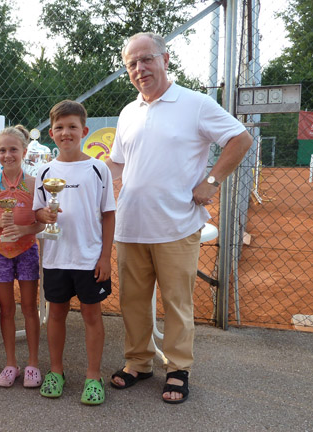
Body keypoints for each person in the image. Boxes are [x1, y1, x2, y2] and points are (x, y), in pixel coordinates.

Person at [104, 32, 253, 403]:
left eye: (146, 59)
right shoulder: (128, 112)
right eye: (132, 64)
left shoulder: (195, 103)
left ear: (165, 59)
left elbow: (240, 138)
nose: (140, 68)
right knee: (133, 301)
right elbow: (117, 165)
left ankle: (177, 368)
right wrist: (79, 174)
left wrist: (212, 181)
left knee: (176, 302)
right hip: (131, 224)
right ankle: (138, 362)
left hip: (177, 225)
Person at [33, 100, 116, 405]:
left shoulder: (98, 168)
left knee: (92, 315)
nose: (65, 132)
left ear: (84, 130)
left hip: (89, 258)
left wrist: (105, 257)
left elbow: (108, 214)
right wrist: (44, 215)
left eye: (72, 127)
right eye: (59, 127)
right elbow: (37, 212)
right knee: (56, 314)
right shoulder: (44, 171)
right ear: (51, 133)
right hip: (56, 258)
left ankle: (93, 376)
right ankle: (56, 371)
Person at [0, 125, 44, 388]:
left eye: (13, 150)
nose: (8, 155)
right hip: (0, 253)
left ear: (24, 151)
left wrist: (23, 229)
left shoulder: (34, 183)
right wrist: (0, 224)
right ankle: (10, 363)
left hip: (26, 250)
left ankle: (33, 364)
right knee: (6, 309)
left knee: (29, 308)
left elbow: (41, 223)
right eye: (2, 150)